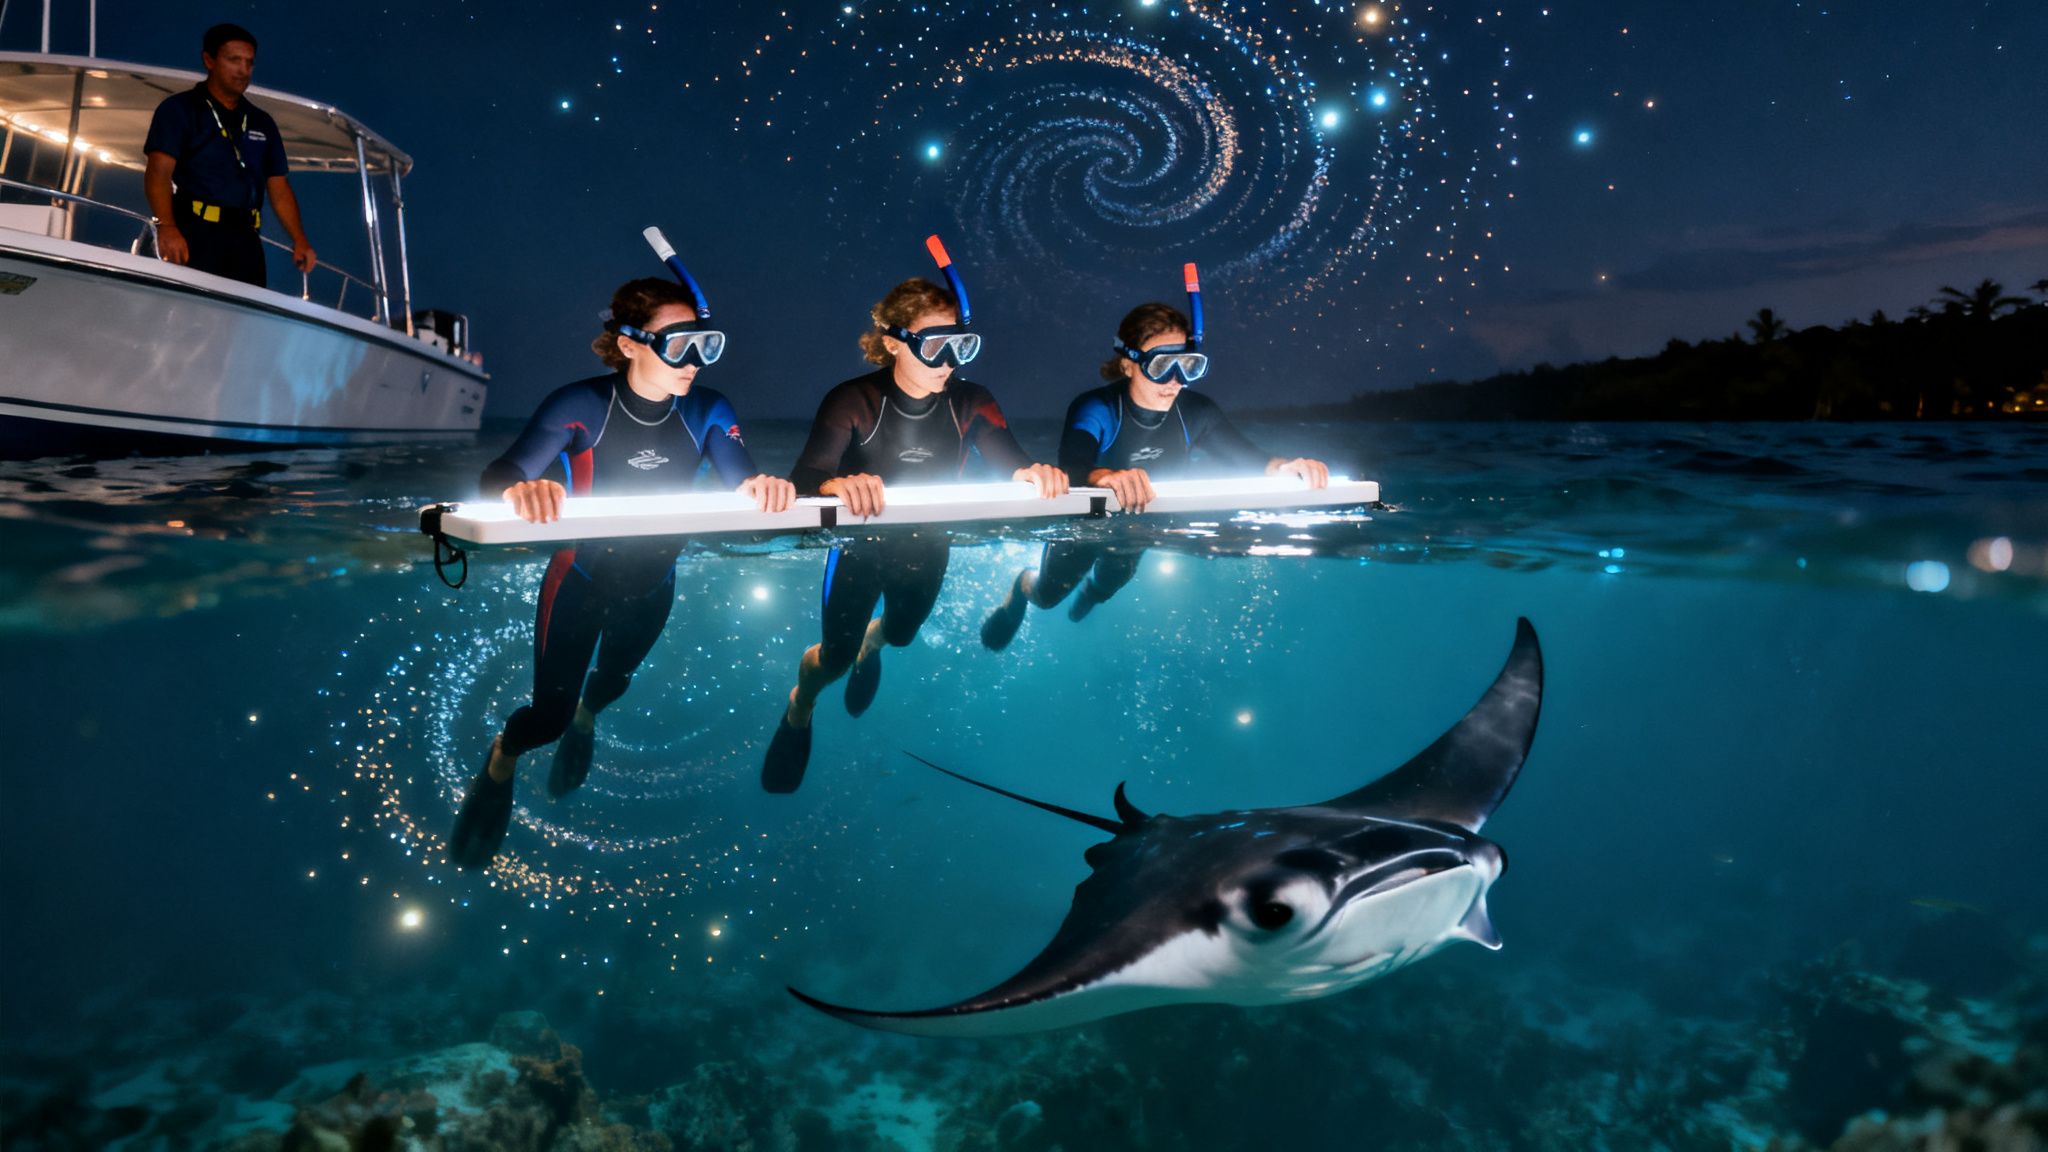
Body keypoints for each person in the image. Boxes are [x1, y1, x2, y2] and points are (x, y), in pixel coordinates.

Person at [449, 277, 795, 869]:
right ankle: (503, 756)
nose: (693, 361)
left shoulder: (710, 408)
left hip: (654, 585)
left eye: (704, 345)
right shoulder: (578, 405)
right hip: (577, 583)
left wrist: (761, 486)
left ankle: (589, 714)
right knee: (547, 721)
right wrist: (521, 489)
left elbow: (742, 477)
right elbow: (499, 473)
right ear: (629, 343)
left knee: (609, 683)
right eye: (678, 344)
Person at [762, 275, 1068, 793]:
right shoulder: (853, 399)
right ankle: (801, 704)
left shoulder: (970, 400)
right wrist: (836, 484)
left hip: (929, 545)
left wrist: (1035, 474)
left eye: (960, 345)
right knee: (833, 660)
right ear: (893, 343)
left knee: (899, 635)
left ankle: (872, 646)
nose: (949, 360)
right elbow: (805, 479)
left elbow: (1012, 462)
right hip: (858, 551)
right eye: (935, 345)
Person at [980, 299, 1329, 649]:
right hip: (1083, 527)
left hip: (1137, 526)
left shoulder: (1197, 411)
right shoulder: (1096, 407)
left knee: (1107, 586)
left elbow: (1251, 460)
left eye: (1187, 365)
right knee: (1047, 597)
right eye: (1162, 365)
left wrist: (1287, 468)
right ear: (1128, 364)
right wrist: (1104, 477)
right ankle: (1022, 585)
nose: (1175, 381)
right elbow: (1074, 465)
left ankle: (1091, 593)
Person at [143, 23, 316, 288]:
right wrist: (166, 227)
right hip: (195, 233)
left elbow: (279, 188)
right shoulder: (179, 110)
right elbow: (158, 172)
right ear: (209, 60)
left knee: (246, 320)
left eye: (249, 63)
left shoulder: (262, 122)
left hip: (246, 239)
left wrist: (299, 239)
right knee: (193, 315)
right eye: (234, 60)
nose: (243, 70)